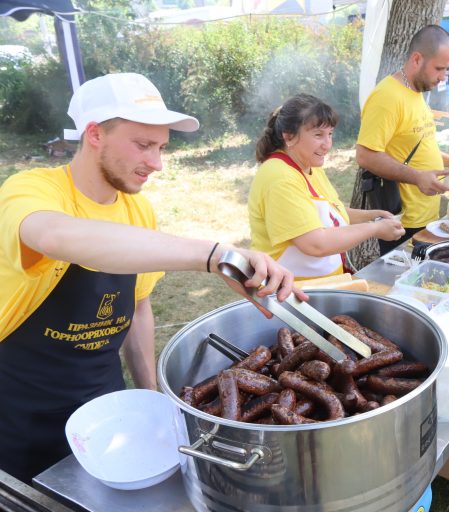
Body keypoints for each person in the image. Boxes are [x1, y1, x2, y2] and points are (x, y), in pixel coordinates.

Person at [0, 73, 303, 483]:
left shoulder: (138, 212)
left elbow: (138, 310)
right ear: (94, 134)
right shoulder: (31, 190)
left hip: (104, 399)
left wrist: (151, 399)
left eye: (161, 147)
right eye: (143, 145)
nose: (157, 163)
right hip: (17, 408)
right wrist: (214, 256)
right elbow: (53, 235)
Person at [248, 94, 404, 279]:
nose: (327, 144)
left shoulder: (308, 164)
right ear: (289, 136)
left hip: (321, 286)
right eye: (318, 135)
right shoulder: (280, 179)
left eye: (330, 134)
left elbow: (328, 213)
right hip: (291, 294)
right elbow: (315, 244)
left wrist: (371, 217)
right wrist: (375, 229)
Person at [356, 24, 449, 255]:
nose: (443, 77)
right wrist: (417, 177)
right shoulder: (387, 97)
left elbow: (416, 143)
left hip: (426, 217)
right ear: (417, 59)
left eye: (446, 69)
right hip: (402, 221)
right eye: (439, 69)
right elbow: (365, 154)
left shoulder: (415, 92)